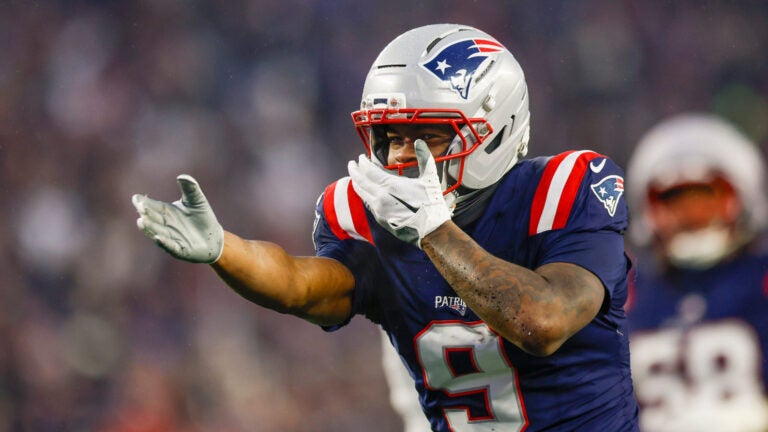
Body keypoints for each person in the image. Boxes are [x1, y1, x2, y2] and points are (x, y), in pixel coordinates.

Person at [132, 23, 639, 431]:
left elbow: (542, 322)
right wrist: (226, 249)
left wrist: (435, 231)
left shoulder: (568, 188)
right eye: (389, 136)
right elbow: (301, 286)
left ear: (498, 129)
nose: (400, 156)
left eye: (427, 138)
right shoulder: (365, 215)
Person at [625, 112, 768, 432]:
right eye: (676, 206)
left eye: (705, 201)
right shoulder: (627, 293)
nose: (691, 219)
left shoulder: (760, 280)